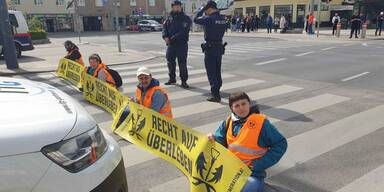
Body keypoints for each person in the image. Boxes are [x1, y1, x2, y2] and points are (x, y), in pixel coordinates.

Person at [208, 92, 287, 192]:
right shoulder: (228, 121)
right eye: (237, 105)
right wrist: (212, 137)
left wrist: (257, 164)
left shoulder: (261, 123)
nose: (241, 108)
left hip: (252, 174)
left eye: (244, 104)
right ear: (232, 109)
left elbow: (280, 144)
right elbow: (219, 139)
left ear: (249, 104)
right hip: (230, 170)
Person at [194, 1, 226, 102]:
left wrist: (201, 10)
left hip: (211, 48)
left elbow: (195, 19)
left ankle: (215, 95)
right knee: (217, 70)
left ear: (209, 9)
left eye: (206, 10)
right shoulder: (222, 19)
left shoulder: (209, 19)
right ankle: (218, 88)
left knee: (211, 72)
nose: (206, 12)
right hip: (219, 47)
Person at [162, 0, 192, 88]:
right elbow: (164, 28)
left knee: (182, 63)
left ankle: (184, 81)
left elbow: (183, 31)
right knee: (170, 62)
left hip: (181, 45)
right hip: (171, 45)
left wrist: (170, 39)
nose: (178, 7)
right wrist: (165, 37)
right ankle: (172, 79)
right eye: (176, 6)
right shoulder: (169, 17)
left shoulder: (186, 18)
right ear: (172, 7)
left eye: (179, 6)